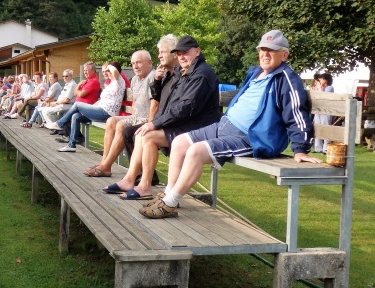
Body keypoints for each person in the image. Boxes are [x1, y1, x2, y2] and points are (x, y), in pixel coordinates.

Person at [138, 30, 321, 218]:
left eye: (271, 51)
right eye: (262, 50)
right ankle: (168, 194)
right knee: (179, 142)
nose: (265, 54)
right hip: (223, 126)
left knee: (196, 151)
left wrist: (300, 149)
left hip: (249, 137)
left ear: (284, 55)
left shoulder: (286, 79)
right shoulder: (256, 73)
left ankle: (170, 203)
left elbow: (297, 113)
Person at [103, 35, 221, 200]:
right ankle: (131, 180)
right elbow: (170, 102)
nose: (182, 57)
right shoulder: (185, 71)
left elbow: (186, 107)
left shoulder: (200, 74)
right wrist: (157, 85)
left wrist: (155, 123)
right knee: (141, 134)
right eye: (179, 54)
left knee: (147, 135)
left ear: (197, 51)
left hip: (198, 127)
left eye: (185, 52)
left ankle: (144, 185)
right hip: (185, 122)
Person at [83, 50, 155, 177]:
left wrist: (149, 122)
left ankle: (106, 167)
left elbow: (155, 105)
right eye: (133, 63)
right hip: (136, 117)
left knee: (121, 125)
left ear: (149, 63)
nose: (135, 66)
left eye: (138, 62)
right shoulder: (135, 80)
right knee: (111, 121)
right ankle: (104, 162)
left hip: (146, 119)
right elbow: (135, 103)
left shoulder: (153, 78)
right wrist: (132, 117)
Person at [46, 62, 126, 152]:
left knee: (77, 105)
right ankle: (71, 145)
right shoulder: (111, 84)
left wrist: (109, 66)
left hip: (107, 113)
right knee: (75, 116)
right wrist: (90, 108)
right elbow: (100, 101)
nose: (106, 73)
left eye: (108, 71)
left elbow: (115, 71)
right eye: (105, 71)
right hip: (101, 111)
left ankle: (59, 124)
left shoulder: (119, 81)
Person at [313, 72, 334, 153]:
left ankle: (326, 148)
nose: (320, 80)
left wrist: (320, 88)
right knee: (317, 128)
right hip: (318, 110)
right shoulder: (318, 88)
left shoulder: (330, 88)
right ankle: (317, 148)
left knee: (326, 127)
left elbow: (323, 96)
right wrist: (317, 87)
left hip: (326, 111)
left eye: (321, 79)